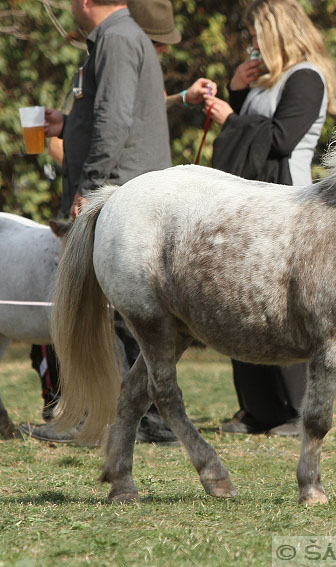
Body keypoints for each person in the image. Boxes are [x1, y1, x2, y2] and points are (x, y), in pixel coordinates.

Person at [25, 0, 179, 444]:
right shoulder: (120, 37)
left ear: (88, 2)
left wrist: (88, 187)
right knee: (123, 315)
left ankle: (112, 417)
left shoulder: (115, 38)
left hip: (115, 192)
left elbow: (115, 119)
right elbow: (108, 114)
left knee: (107, 312)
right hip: (122, 190)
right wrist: (69, 122)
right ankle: (146, 418)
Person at [197, 0, 336, 437]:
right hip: (251, 200)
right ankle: (259, 409)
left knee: (286, 310)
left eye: (259, 34)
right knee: (242, 301)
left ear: (279, 33)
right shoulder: (266, 79)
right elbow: (250, 130)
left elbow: (280, 140)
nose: (253, 43)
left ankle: (299, 412)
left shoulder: (306, 78)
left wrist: (231, 116)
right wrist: (237, 90)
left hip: (288, 202)